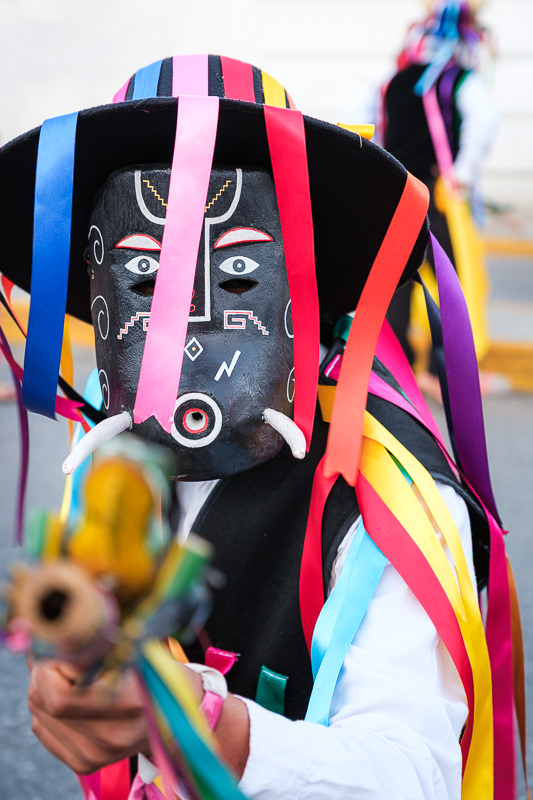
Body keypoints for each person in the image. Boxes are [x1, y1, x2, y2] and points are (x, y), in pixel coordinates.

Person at [0, 54, 521, 800]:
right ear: (93, 289)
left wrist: (212, 726)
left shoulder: (381, 500)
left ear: (305, 284)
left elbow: (413, 773)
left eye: (240, 275)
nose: (188, 329)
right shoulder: (111, 444)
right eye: (147, 279)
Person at [374, 1, 500, 398]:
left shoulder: (392, 82)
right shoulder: (460, 81)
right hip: (436, 192)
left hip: (397, 189)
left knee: (399, 279)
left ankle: (400, 368)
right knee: (452, 285)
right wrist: (461, 173)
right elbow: (484, 123)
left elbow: (371, 126)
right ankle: (446, 372)